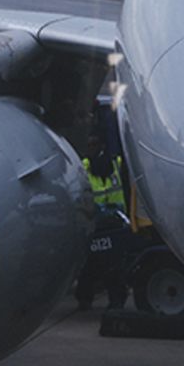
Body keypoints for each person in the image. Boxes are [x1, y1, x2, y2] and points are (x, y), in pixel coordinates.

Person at [75, 132, 129, 310]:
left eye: (94, 144)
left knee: (113, 264)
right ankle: (85, 298)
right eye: (89, 144)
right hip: (95, 220)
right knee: (91, 264)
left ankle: (115, 299)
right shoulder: (84, 166)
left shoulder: (115, 163)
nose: (90, 148)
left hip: (115, 220)